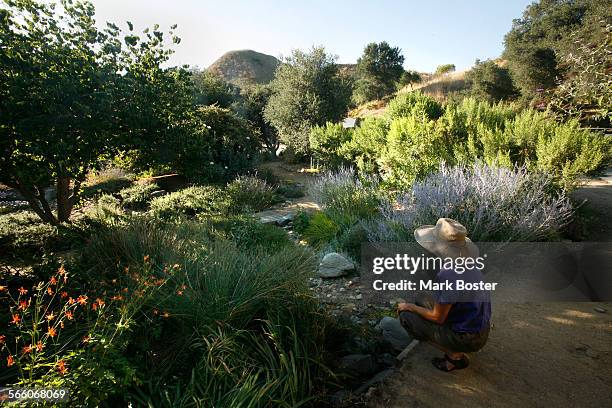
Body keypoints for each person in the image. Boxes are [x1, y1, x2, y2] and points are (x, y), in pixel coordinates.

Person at [397, 218, 491, 372]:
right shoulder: (469, 261)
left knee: (406, 317)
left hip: (468, 338)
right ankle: (454, 343)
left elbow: (437, 317)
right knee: (422, 297)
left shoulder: (448, 274)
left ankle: (454, 357)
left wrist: (409, 307)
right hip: (480, 328)